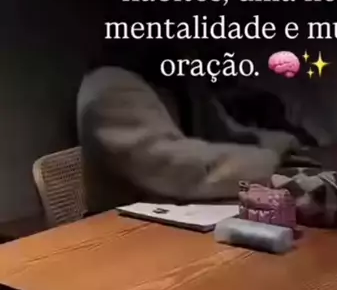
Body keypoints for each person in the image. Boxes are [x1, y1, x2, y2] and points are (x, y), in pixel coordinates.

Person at [77, 46, 307, 214]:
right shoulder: (108, 87)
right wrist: (273, 164)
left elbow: (227, 134)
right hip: (127, 233)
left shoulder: (173, 76)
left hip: (190, 215)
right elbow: (178, 168)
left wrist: (288, 145)